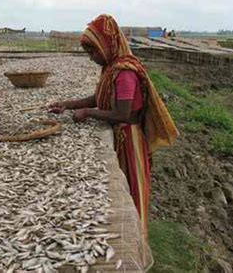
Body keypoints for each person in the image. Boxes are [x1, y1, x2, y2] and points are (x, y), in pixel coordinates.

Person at [49, 14, 179, 235]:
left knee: (129, 189)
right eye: (88, 53)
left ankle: (133, 236)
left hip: (129, 139)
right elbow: (100, 98)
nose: (91, 57)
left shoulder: (124, 72)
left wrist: (88, 113)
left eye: (93, 51)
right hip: (122, 133)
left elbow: (122, 113)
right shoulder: (111, 68)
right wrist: (67, 104)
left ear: (107, 45)